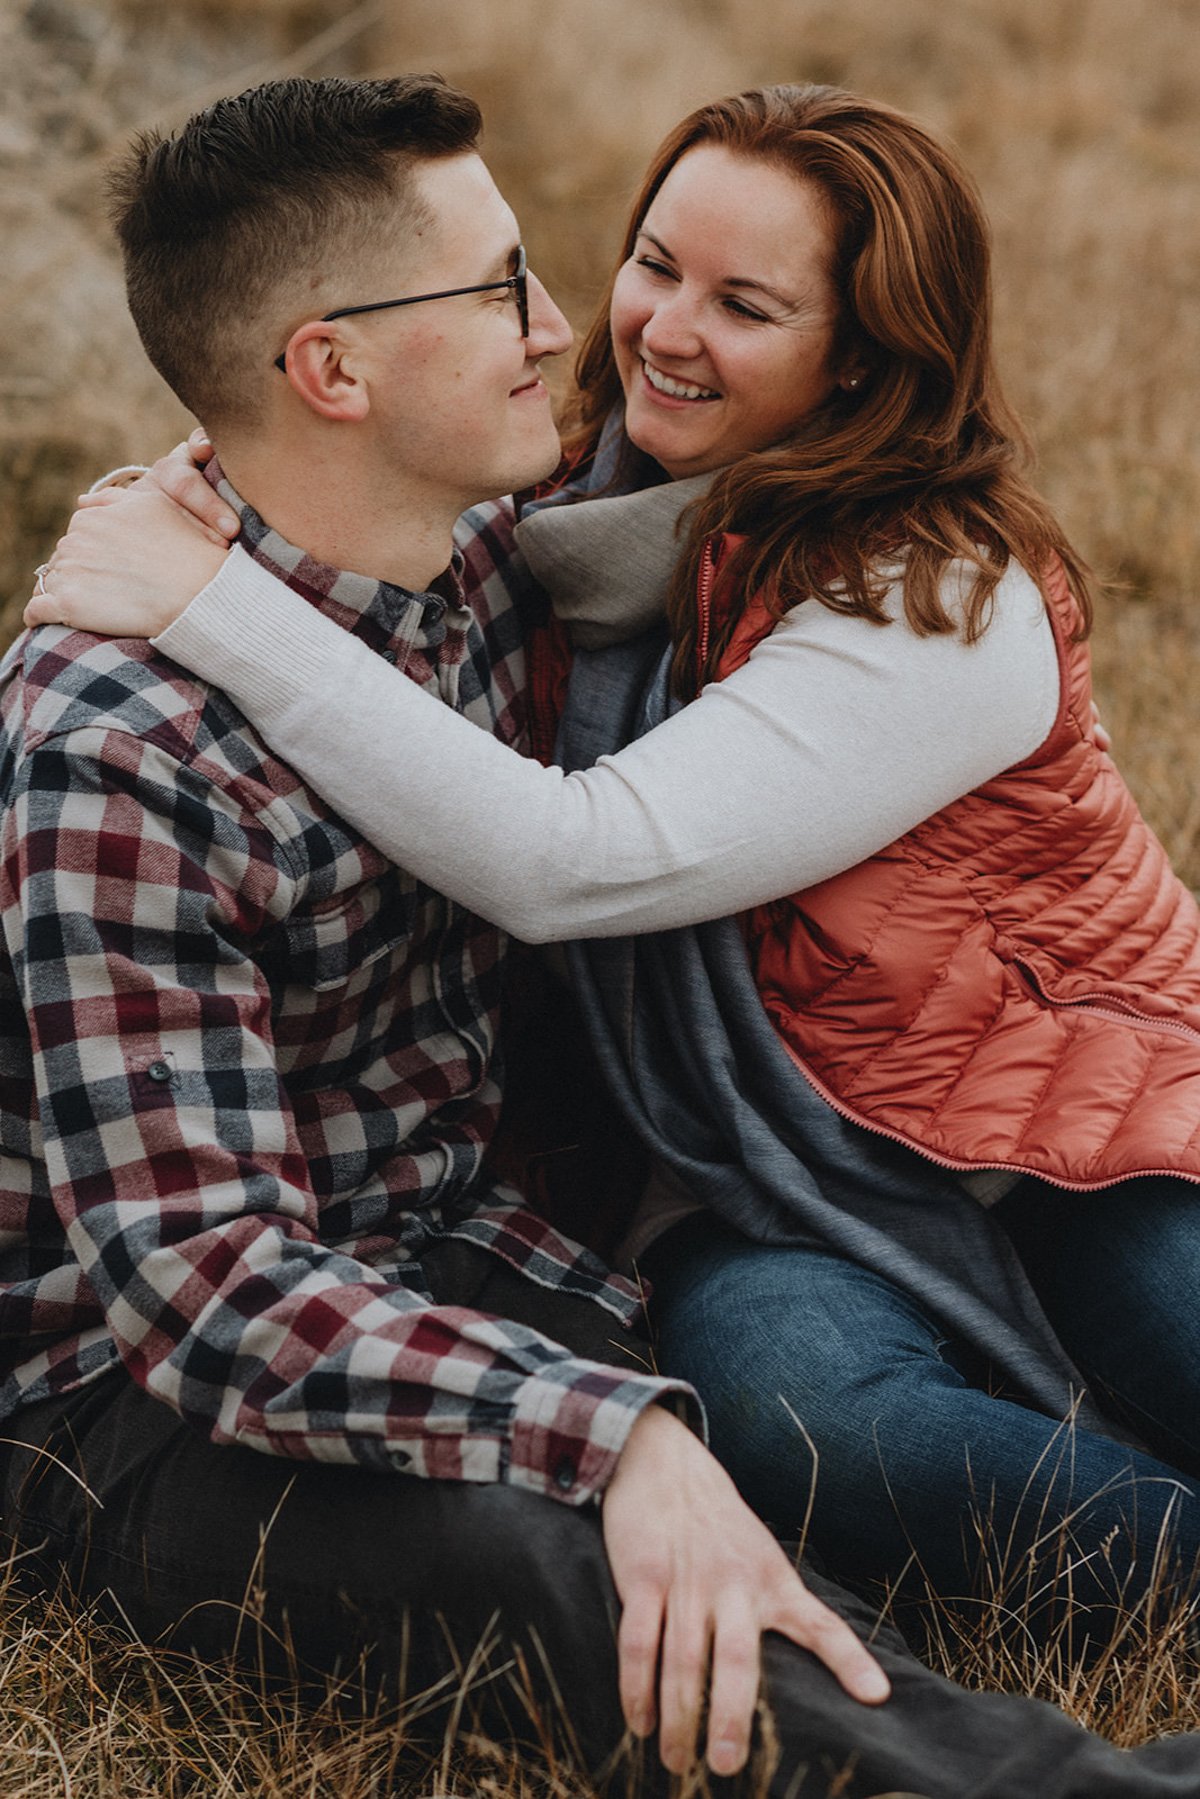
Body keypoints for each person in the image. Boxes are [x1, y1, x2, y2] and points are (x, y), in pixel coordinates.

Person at [22, 76, 1200, 1798]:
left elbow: (570, 857)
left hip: (1055, 1123)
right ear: (334, 369)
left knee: (810, 1445)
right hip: (206, 1351)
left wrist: (215, 593)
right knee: (712, 1485)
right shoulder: (152, 726)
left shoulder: (769, 584)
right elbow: (206, 1286)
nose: (596, 329)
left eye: (748, 303)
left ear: (862, 365)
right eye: (539, 281)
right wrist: (616, 1433)